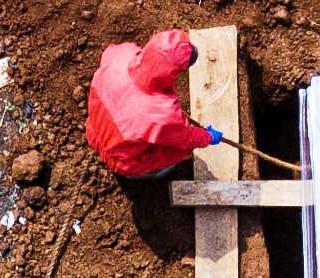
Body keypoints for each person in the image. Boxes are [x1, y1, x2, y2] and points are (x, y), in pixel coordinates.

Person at [85, 30, 228, 178]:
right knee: (181, 149)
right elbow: (184, 137)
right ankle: (148, 173)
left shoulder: (120, 53)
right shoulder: (162, 114)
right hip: (122, 160)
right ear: (174, 71)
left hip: (94, 130)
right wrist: (207, 137)